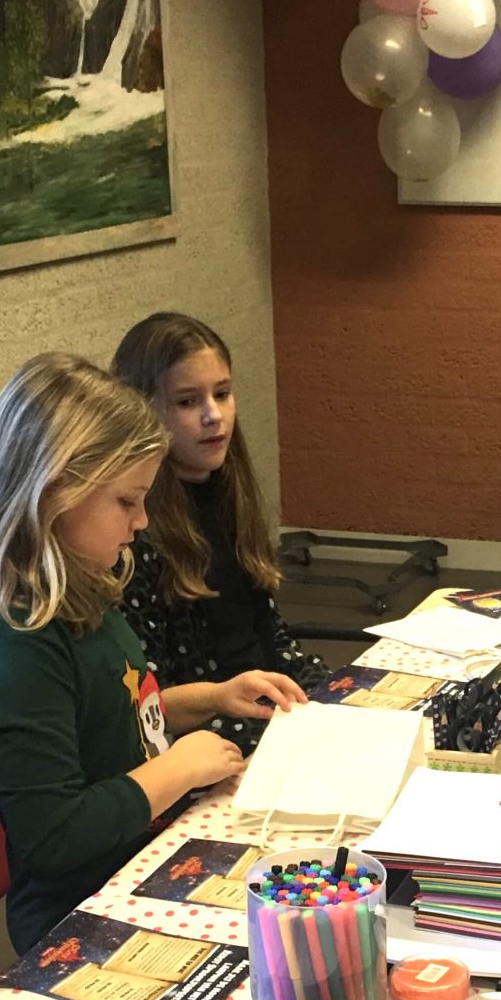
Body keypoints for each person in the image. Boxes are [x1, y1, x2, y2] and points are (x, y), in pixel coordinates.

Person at [0, 354, 300, 954]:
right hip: (79, 915)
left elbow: (116, 714)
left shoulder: (82, 587)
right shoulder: (18, 645)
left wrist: (212, 697)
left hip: (145, 855)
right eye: (127, 502)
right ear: (53, 494)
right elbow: (54, 836)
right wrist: (179, 768)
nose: (141, 522)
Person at [111, 312, 327, 756]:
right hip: (205, 744)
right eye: (188, 402)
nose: (214, 415)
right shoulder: (134, 534)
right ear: (142, 410)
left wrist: (331, 695)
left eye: (222, 394)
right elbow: (144, 707)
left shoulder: (227, 493)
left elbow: (271, 639)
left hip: (269, 718)